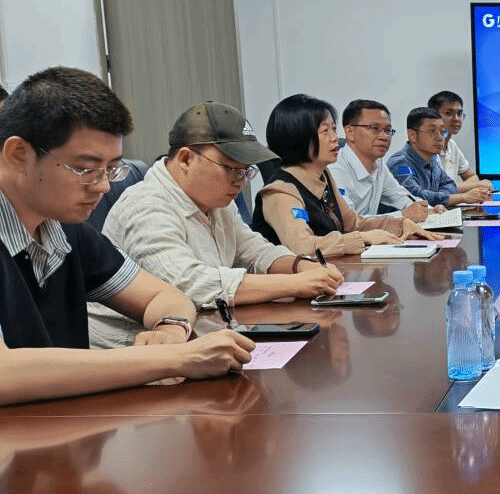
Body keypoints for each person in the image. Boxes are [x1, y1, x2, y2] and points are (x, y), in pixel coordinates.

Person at [0, 67, 254, 405]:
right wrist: (174, 358)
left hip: (66, 424)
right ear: (18, 154)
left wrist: (169, 330)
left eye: (111, 169)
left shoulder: (66, 230)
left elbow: (165, 297)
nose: (104, 186)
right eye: (86, 169)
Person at [88, 101, 344, 349]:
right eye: (231, 169)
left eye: (246, 171)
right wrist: (297, 284)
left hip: (202, 333)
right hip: (132, 351)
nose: (240, 181)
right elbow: (192, 284)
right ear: (186, 159)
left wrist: (302, 266)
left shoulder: (217, 200)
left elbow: (255, 251)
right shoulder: (146, 206)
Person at [252, 94, 443, 256]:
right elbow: (302, 247)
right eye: (325, 131)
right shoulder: (281, 190)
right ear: (298, 138)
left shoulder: (323, 176)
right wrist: (362, 239)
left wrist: (400, 225)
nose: (335, 137)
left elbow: (353, 223)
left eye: (333, 129)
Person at [328, 98, 436, 220]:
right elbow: (349, 222)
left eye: (388, 130)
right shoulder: (334, 169)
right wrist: (403, 215)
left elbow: (401, 197)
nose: (384, 136)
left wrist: (429, 209)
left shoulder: (378, 164)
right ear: (350, 132)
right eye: (375, 128)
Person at [387, 107, 476, 208]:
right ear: (412, 135)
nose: (440, 137)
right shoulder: (400, 163)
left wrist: (440, 200)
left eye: (443, 131)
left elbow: (449, 185)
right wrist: (461, 198)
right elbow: (414, 196)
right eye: (432, 131)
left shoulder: (432, 159)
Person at [429, 90, 493, 200]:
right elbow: (436, 189)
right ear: (432, 116)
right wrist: (480, 185)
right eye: (449, 113)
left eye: (459, 114)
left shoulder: (452, 145)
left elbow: (472, 176)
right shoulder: (425, 146)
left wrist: (458, 188)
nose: (456, 119)